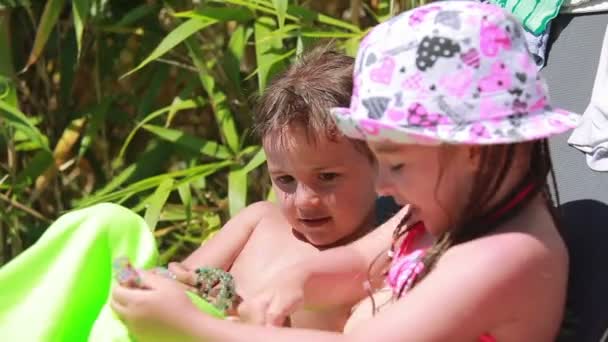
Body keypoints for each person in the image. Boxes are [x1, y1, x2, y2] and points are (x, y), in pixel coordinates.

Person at [111, 2, 580, 341]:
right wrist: (294, 283)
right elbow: (358, 265)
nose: (383, 185)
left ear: (469, 150)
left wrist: (197, 328)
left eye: (394, 163)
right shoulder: (441, 212)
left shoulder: (506, 257)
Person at [0, 46, 383, 340]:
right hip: (158, 329)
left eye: (328, 177)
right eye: (284, 180)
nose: (303, 200)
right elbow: (180, 278)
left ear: (383, 164)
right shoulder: (260, 221)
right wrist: (195, 285)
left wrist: (249, 324)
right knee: (108, 224)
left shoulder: (379, 266)